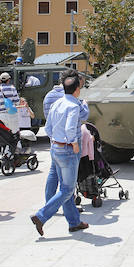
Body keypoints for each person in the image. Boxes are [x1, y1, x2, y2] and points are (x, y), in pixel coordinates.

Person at [30, 76, 89, 236]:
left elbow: (48, 127)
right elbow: (71, 128)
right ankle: (41, 216)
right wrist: (73, 143)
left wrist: (57, 140)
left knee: (65, 187)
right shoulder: (74, 105)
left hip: (55, 147)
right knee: (67, 189)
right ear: (77, 89)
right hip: (69, 149)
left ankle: (74, 222)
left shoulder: (57, 102)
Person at [42, 69, 89, 201]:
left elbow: (48, 123)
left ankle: (49, 201)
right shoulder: (72, 99)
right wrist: (85, 104)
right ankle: (49, 210)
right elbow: (83, 116)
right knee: (68, 182)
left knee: (53, 174)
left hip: (55, 142)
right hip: (70, 143)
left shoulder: (49, 96)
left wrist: (54, 138)